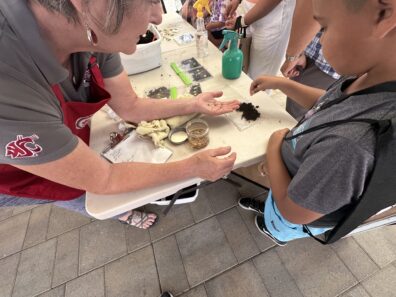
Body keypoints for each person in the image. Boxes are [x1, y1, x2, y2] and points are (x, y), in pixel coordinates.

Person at [0, 0, 239, 229]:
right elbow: (104, 179)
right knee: (84, 195)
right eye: (151, 1)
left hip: (55, 135)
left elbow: (130, 106)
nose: (158, 16)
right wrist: (191, 168)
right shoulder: (8, 78)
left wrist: (193, 104)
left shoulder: (92, 27)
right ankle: (121, 213)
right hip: (16, 172)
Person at [239, 0, 396, 245]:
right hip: (304, 183)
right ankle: (271, 204)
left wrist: (274, 150)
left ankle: (272, 229)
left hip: (295, 210)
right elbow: (333, 105)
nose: (320, 41)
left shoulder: (350, 145)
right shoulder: (369, 77)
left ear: (384, 15)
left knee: (280, 217)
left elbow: (295, 211)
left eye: (324, 27)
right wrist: (284, 84)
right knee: (279, 196)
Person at [225, 0, 296, 79]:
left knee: (258, 77)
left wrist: (241, 22)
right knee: (241, 66)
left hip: (273, 19)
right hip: (250, 10)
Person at [284, 30, 340, 120]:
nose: (323, 39)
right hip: (313, 57)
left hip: (323, 66)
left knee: (296, 114)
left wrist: (292, 57)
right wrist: (297, 54)